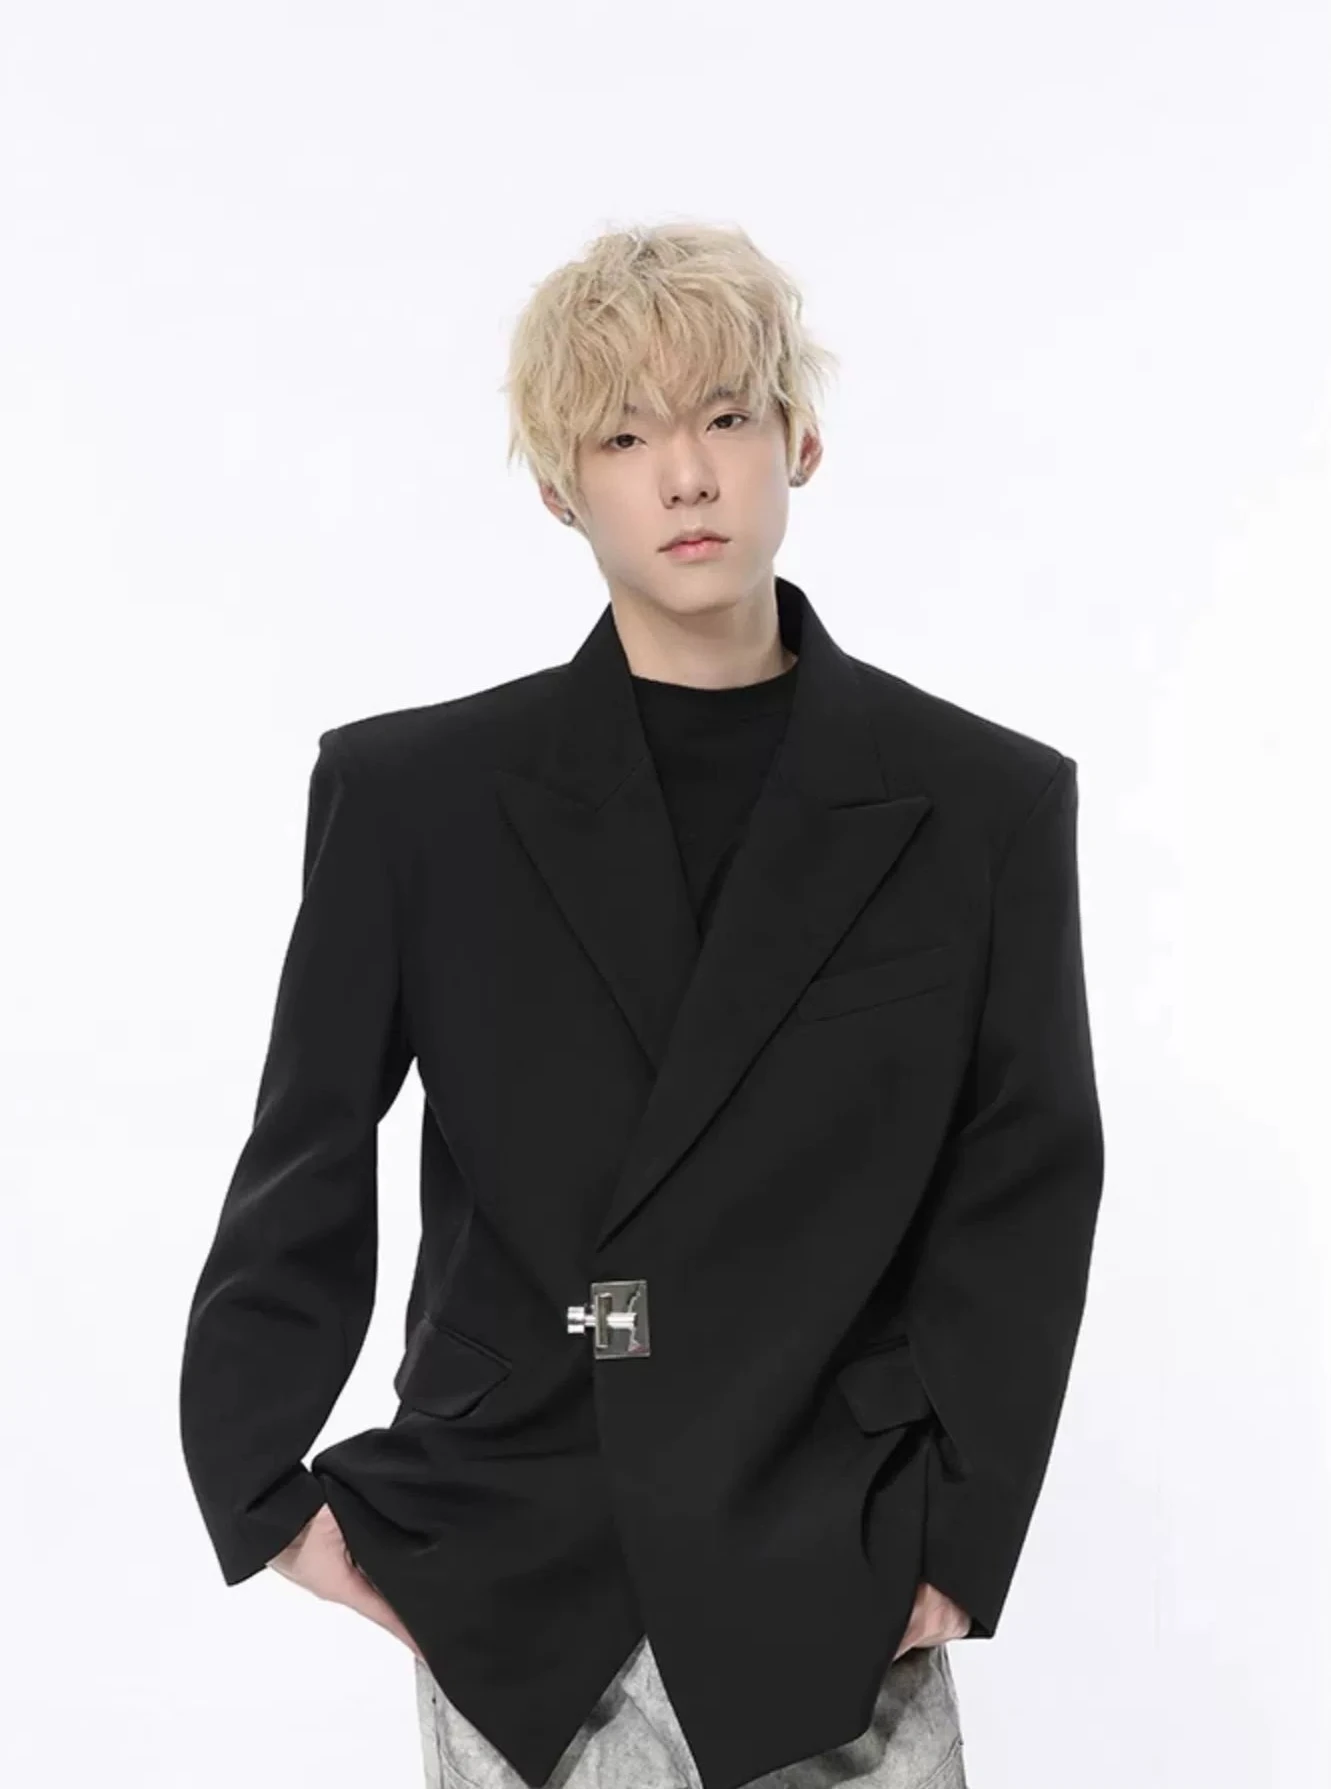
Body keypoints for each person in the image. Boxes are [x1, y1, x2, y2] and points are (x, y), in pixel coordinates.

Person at [180, 220, 1104, 1790]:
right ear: (560, 487)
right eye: (622, 435)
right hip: (521, 1550)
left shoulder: (981, 802)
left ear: (799, 441)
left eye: (725, 417)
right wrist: (258, 1480)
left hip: (827, 1556)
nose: (684, 476)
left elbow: (1022, 1177)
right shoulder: (416, 798)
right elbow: (307, 1138)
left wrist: (961, 1532)